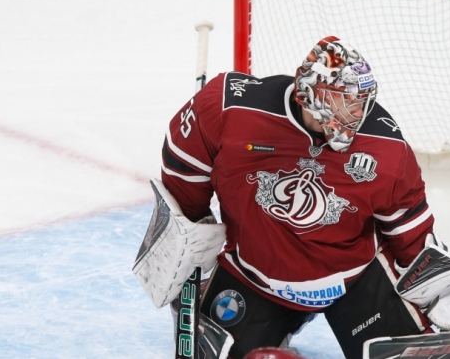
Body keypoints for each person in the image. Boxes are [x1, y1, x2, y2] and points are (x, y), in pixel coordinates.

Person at [156, 36, 434, 359]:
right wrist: (192, 233)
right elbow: (181, 171)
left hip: (353, 280)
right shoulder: (229, 109)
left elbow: (411, 232)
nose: (354, 116)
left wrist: (433, 290)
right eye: (341, 104)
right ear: (307, 97)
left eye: (358, 103)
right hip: (256, 277)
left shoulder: (384, 146)